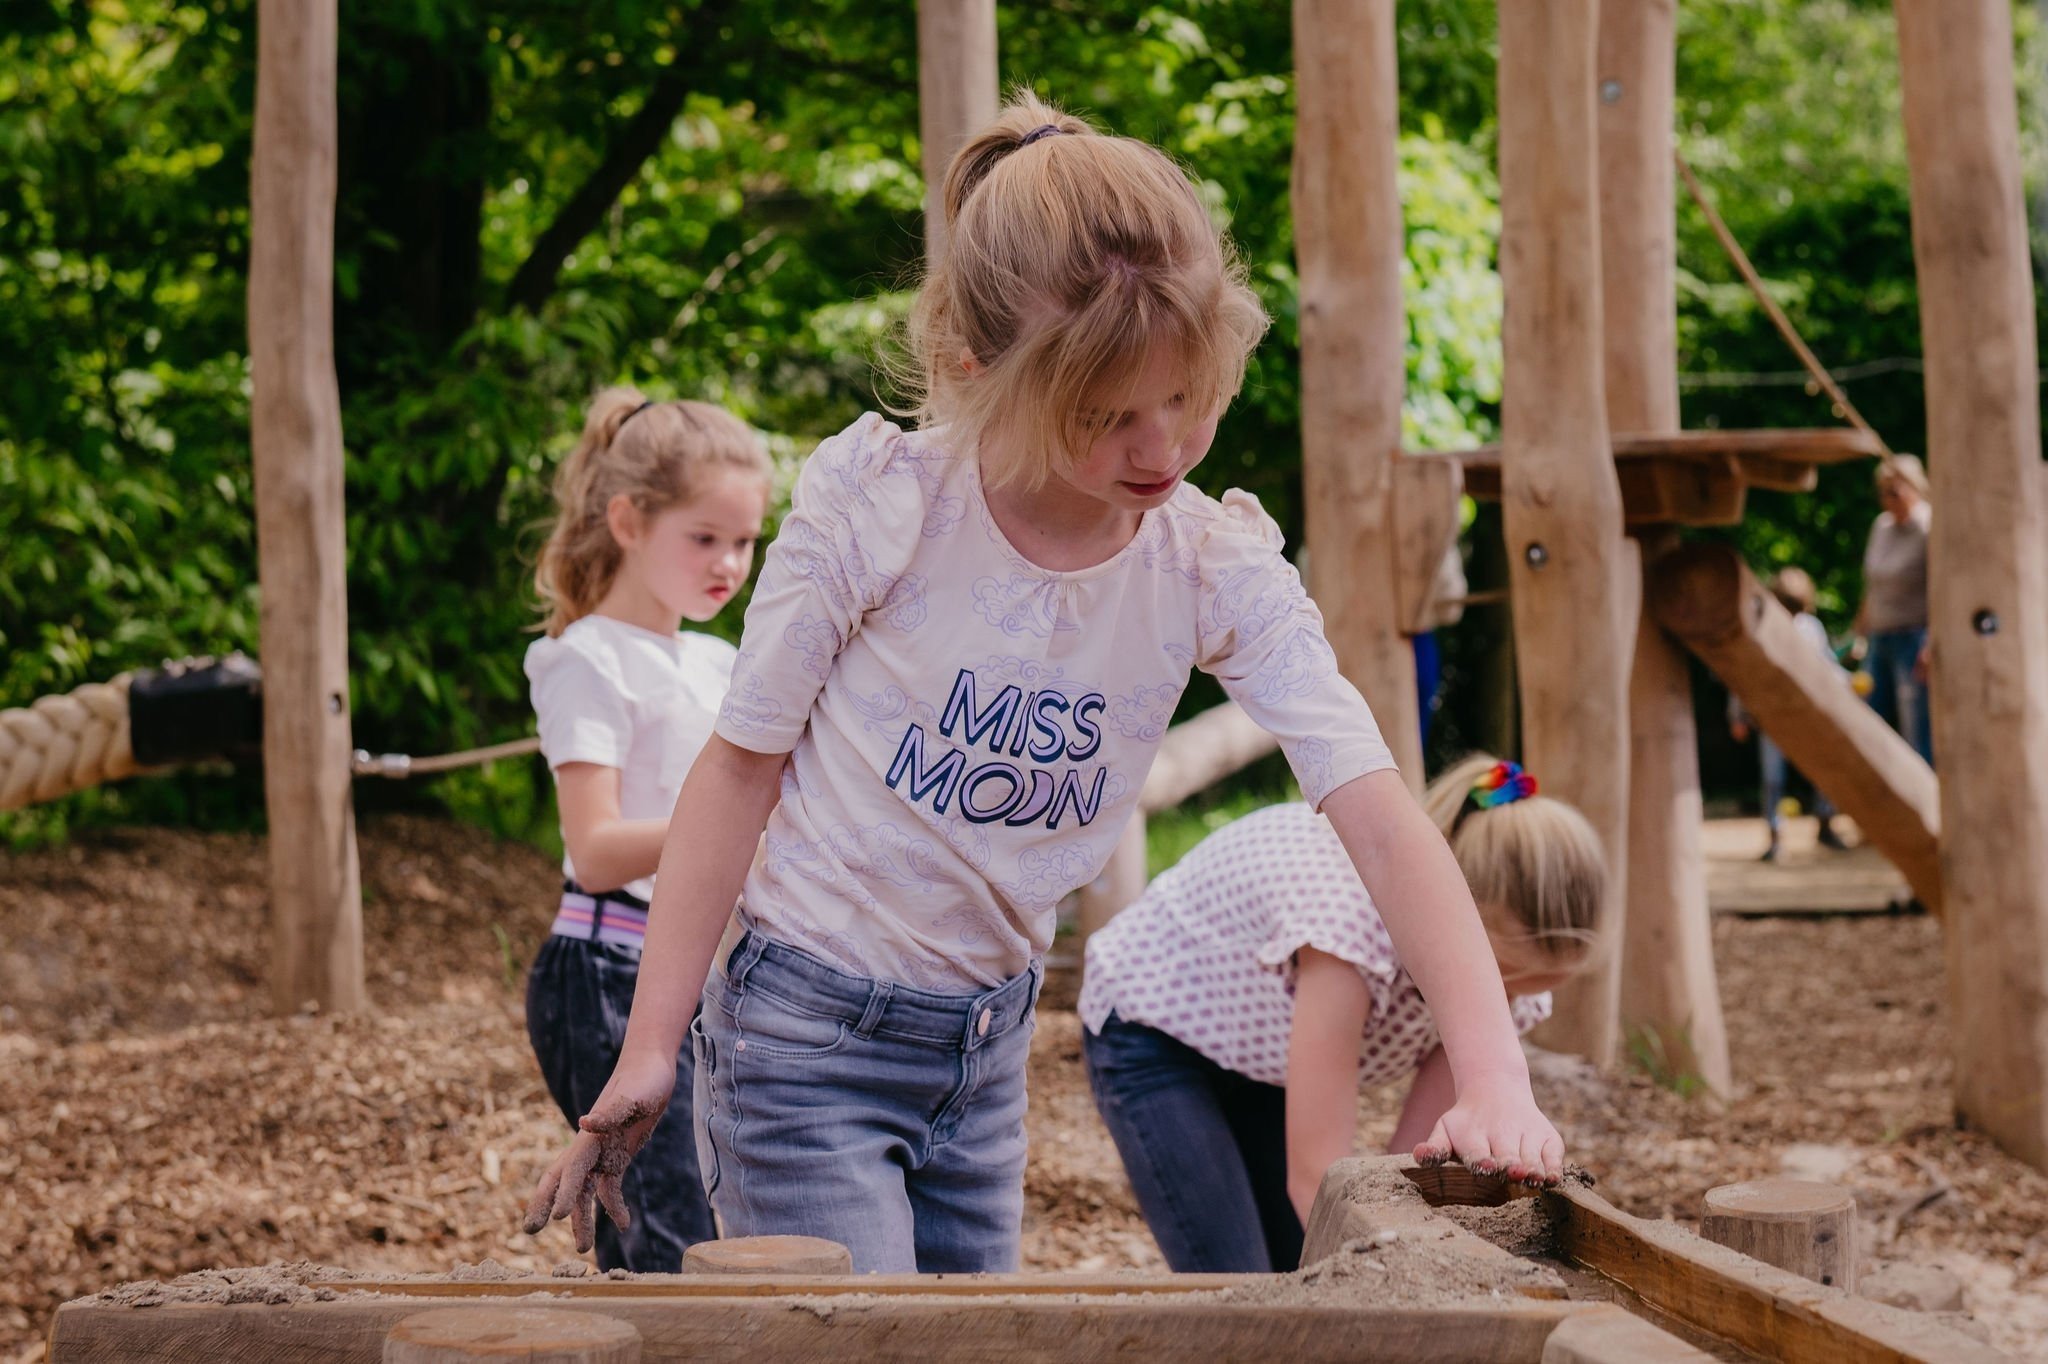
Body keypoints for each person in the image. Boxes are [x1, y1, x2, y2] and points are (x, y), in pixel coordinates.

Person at [523, 93, 1571, 1274]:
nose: (1159, 449)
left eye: (1182, 397)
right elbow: (742, 762)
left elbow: (1380, 813)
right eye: (1105, 414)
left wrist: (1490, 1069)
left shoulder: (1204, 561)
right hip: (804, 1033)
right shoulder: (886, 508)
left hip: (985, 1051)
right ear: (977, 370)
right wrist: (653, 1039)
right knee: (861, 1348)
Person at [1079, 757, 1600, 1272]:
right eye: (1501, 979)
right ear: (1457, 932)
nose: (1495, 1006)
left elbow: (1396, 1172)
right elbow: (1315, 1175)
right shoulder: (1346, 935)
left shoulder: (1500, 995)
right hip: (1154, 1032)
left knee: (1302, 1266)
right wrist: (1384, 1279)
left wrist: (1401, 1254)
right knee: (1243, 1286)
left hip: (1262, 1053)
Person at [522, 388, 771, 1270]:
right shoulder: (583, 657)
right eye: (704, 538)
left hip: (700, 978)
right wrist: (728, 818)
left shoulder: (721, 658)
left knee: (712, 1232)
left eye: (744, 542)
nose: (729, 563)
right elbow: (593, 852)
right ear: (627, 521)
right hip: (604, 970)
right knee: (667, 1242)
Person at [1727, 567, 1848, 861]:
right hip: (1772, 715)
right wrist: (1737, 714)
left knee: (1823, 771)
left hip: (1808, 712)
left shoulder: (1811, 628)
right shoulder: (1758, 627)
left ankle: (1825, 823)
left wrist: (1847, 685)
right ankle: (1775, 834)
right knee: (1773, 778)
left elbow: (1826, 667)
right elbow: (1743, 674)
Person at [1854, 456, 1933, 763]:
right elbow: (1872, 586)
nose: (1888, 498)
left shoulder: (1928, 526)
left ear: (1914, 487)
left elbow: (1940, 589)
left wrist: (1932, 643)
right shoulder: (1881, 526)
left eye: (1894, 490)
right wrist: (1860, 633)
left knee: (1917, 729)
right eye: (1883, 491)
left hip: (1914, 638)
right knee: (1866, 720)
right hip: (1879, 638)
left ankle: (1924, 803)